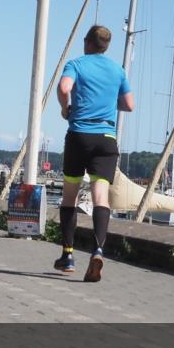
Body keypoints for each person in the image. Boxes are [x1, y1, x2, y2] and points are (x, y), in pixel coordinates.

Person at [55, 25, 134, 283]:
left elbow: (64, 87)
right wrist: (111, 103)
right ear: (106, 46)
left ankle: (67, 256)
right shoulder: (117, 70)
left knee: (70, 196)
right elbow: (129, 105)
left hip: (79, 136)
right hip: (106, 140)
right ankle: (98, 250)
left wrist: (66, 109)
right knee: (101, 198)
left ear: (87, 42)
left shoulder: (77, 64)